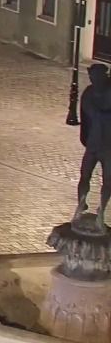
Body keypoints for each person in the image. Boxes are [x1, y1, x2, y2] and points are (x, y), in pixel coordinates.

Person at [76, 64, 111, 224]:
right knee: (84, 176)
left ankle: (102, 210)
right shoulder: (89, 94)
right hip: (93, 144)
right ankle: (81, 204)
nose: (94, 80)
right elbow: (87, 114)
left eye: (97, 77)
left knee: (108, 180)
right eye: (92, 77)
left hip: (108, 147)